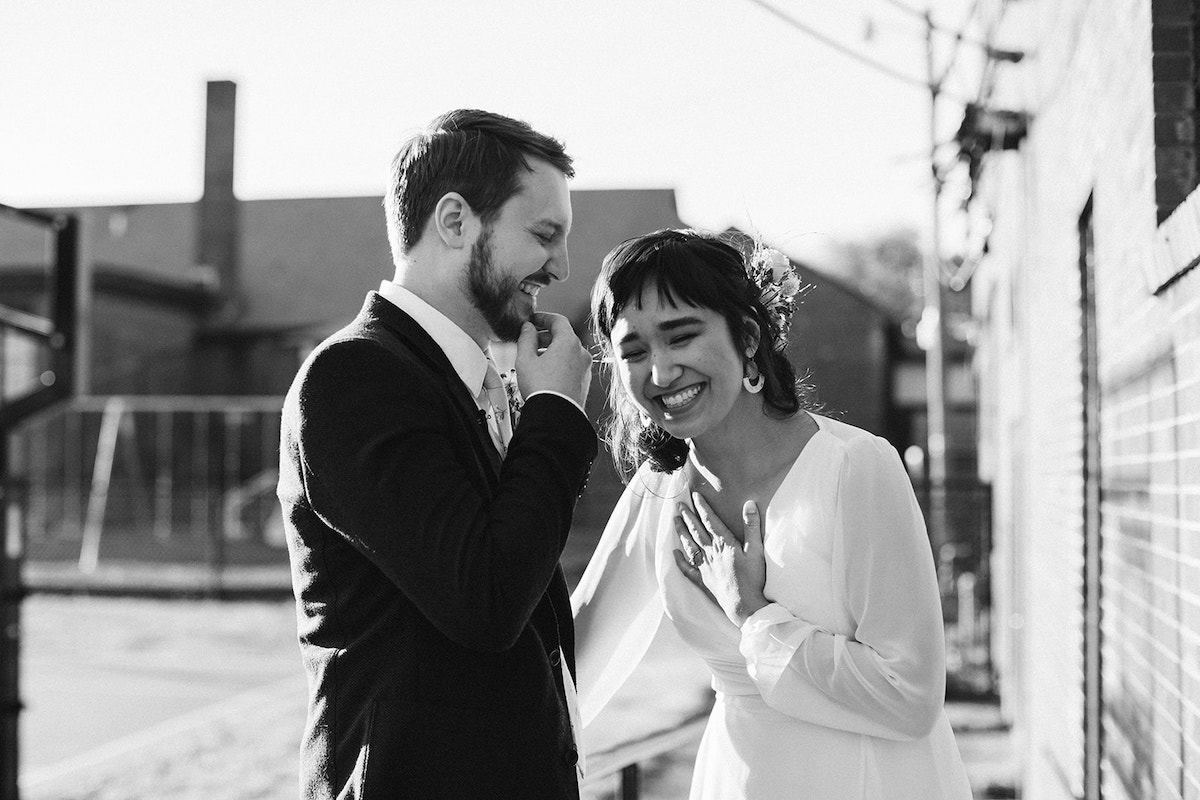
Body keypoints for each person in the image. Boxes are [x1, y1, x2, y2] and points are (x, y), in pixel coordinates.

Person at [572, 229, 972, 799]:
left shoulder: (856, 468)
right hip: (738, 779)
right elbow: (573, 650)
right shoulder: (659, 492)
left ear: (750, 338)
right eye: (633, 351)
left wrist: (755, 616)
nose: (659, 374)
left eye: (680, 336)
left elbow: (909, 694)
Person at [278, 109, 596, 799]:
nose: (562, 266)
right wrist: (556, 414)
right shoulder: (354, 377)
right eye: (544, 235)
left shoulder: (467, 382)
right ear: (455, 222)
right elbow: (486, 600)